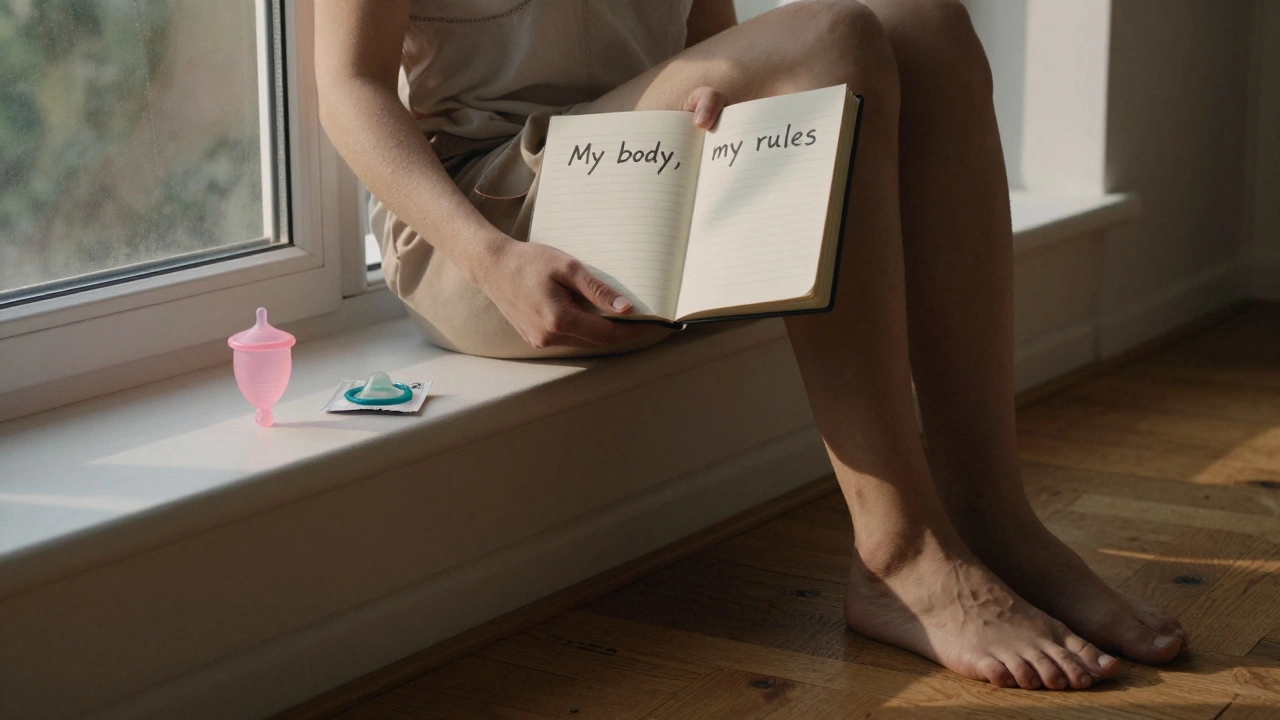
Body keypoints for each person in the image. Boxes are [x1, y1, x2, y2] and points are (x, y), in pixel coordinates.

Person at [316, 0, 1188, 690]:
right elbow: (348, 89)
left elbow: (711, 42)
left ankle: (993, 515)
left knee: (926, 22)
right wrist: (490, 258)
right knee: (834, 31)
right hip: (496, 232)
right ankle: (898, 550)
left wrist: (730, 97)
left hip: (646, 183)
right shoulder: (485, 244)